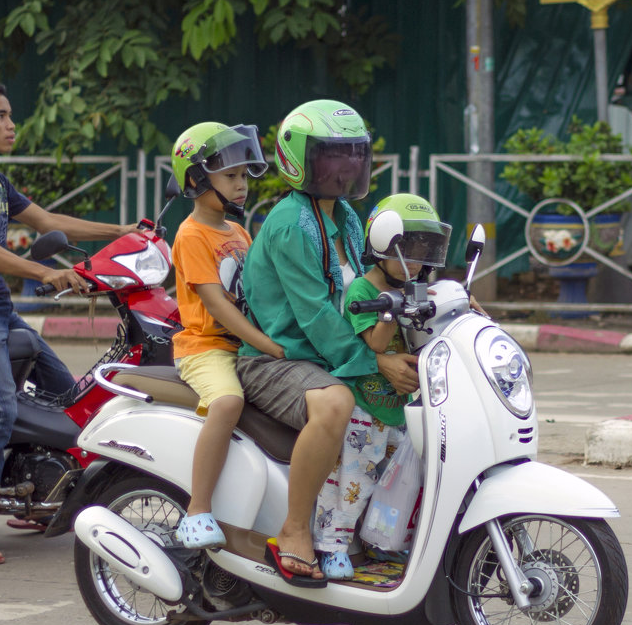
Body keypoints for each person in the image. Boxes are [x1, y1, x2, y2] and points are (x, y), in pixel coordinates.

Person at [0, 78, 137, 565]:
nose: (10, 124)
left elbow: (45, 221)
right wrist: (46, 272)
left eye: (10, 115)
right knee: (2, 409)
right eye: (0, 116)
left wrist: (121, 232)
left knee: (71, 394)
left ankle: (38, 490)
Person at [237, 99, 419, 586]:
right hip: (277, 357)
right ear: (299, 160)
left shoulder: (349, 219)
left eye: (353, 157)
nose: (345, 169)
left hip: (331, 354)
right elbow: (315, 316)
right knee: (338, 404)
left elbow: (371, 290)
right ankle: (296, 528)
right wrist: (376, 362)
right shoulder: (289, 223)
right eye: (331, 157)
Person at [313, 194, 451, 579]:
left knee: (393, 481)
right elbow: (375, 343)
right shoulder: (361, 291)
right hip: (363, 410)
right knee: (352, 482)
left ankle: (380, 543)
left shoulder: (413, 288)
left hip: (399, 409)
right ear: (383, 244)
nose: (419, 261)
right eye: (411, 250)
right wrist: (391, 307)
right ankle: (331, 545)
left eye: (426, 251)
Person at [169, 122, 285, 549]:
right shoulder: (191, 234)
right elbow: (217, 304)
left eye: (242, 176)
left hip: (242, 344)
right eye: (230, 176)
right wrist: (270, 346)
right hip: (205, 348)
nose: (242, 186)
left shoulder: (237, 232)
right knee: (228, 402)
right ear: (197, 179)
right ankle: (198, 509)